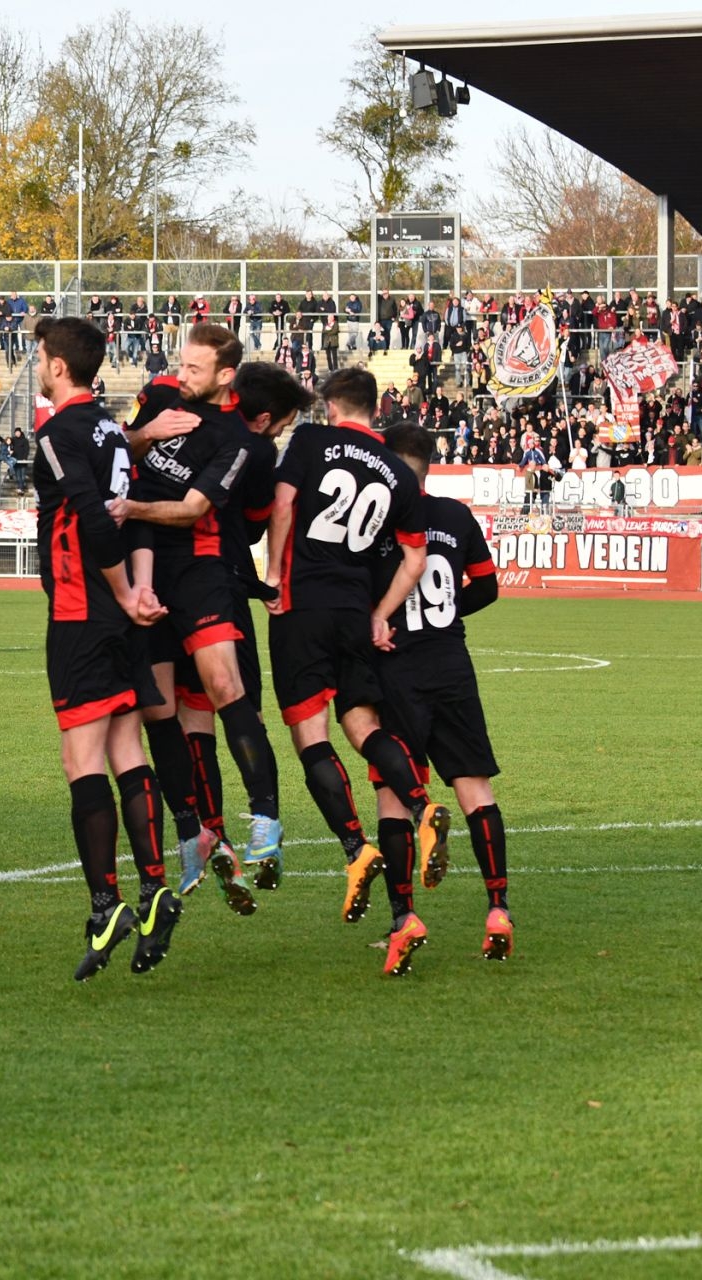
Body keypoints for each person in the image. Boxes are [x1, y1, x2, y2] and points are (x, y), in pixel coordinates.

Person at [261, 368, 450, 961]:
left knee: (308, 732)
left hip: (303, 603)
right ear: (374, 409)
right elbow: (415, 559)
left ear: (329, 403)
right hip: (353, 610)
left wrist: (273, 573)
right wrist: (380, 613)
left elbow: (285, 502)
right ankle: (422, 806)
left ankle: (354, 847)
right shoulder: (396, 469)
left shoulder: (311, 441)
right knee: (362, 724)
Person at [117, 324, 285, 911]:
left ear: (223, 376)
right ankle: (193, 830)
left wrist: (129, 506)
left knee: (222, 685)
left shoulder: (239, 440)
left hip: (200, 567)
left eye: (194, 369)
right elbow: (114, 446)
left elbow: (192, 510)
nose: (180, 375)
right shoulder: (160, 396)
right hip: (142, 568)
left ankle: (266, 816)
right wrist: (145, 434)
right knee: (158, 707)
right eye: (180, 365)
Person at [30, 315, 179, 980]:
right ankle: (153, 887)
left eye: (40, 355)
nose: (37, 363)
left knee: (80, 757)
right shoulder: (111, 429)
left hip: (83, 609)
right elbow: (127, 501)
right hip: (115, 619)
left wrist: (121, 591)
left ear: (58, 366)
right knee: (126, 748)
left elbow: (93, 517)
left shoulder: (60, 430)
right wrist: (137, 595)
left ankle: (105, 903)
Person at [377, 423, 516, 965]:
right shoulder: (455, 516)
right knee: (474, 787)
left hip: (395, 670)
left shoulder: (378, 523)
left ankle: (403, 919)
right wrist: (448, 615)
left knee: (394, 796)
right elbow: (486, 586)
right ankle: (498, 906)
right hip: (451, 664)